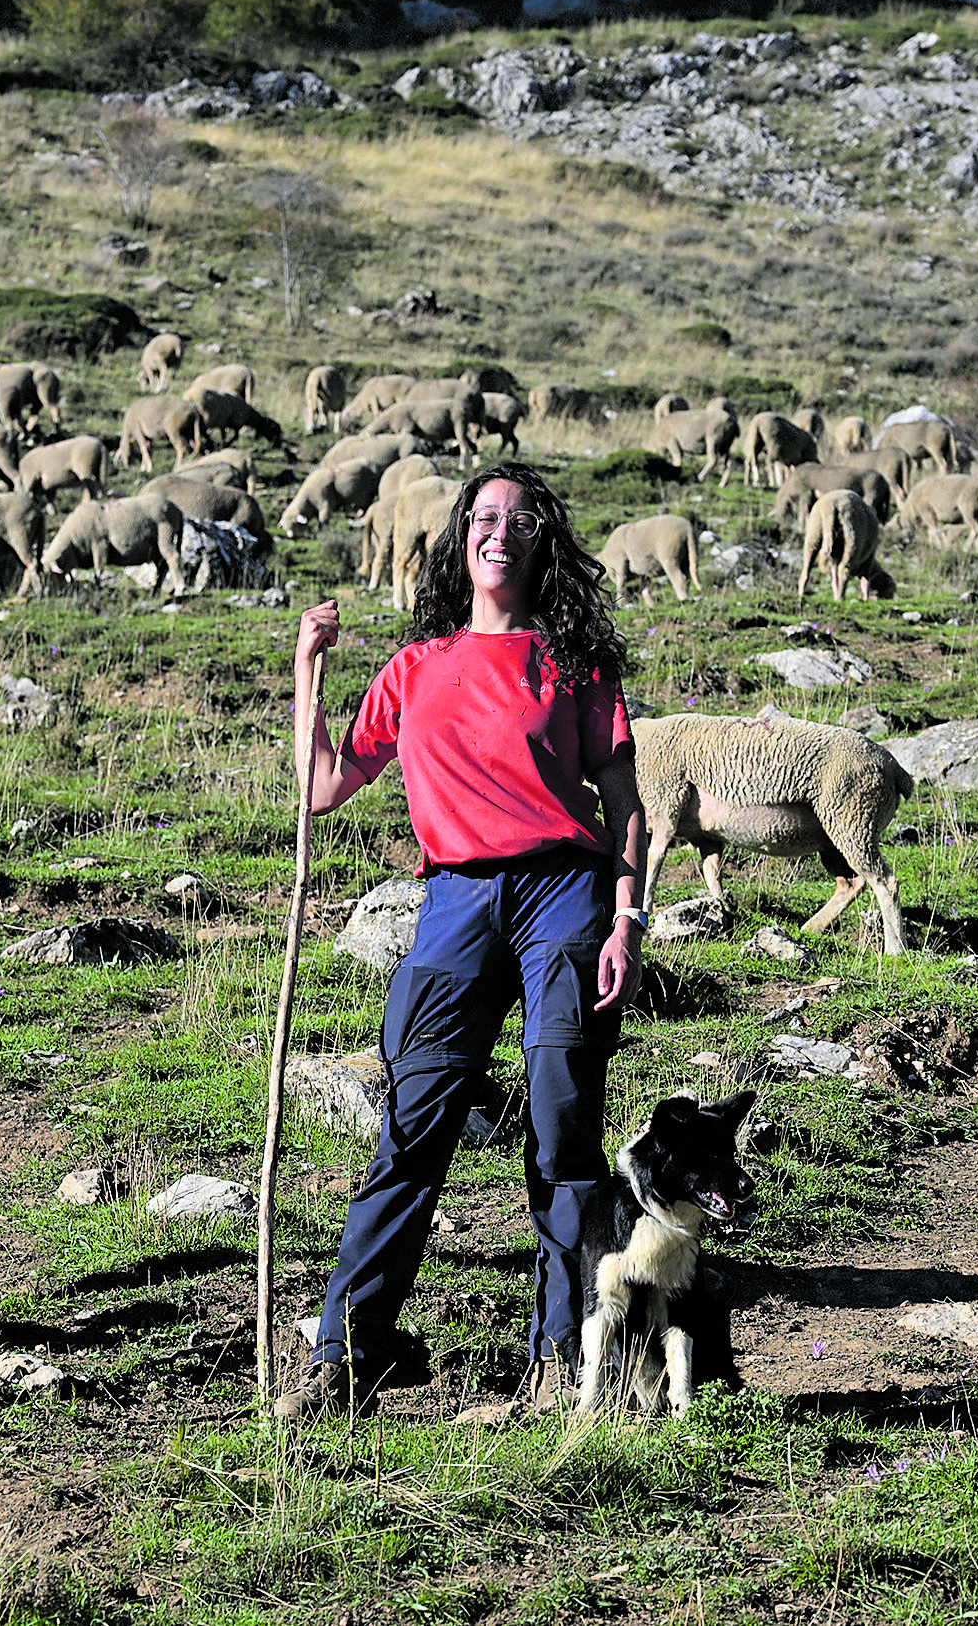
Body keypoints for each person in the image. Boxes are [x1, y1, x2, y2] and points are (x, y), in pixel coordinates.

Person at [276, 461, 646, 1421]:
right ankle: (344, 1357)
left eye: (520, 519)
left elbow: (626, 806)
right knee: (413, 1127)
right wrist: (307, 669)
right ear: (459, 538)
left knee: (564, 1128)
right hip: (454, 900)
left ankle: (566, 1362)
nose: (498, 531)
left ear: (541, 544)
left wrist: (628, 918)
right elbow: (321, 786)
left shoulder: (573, 665)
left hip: (565, 892)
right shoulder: (415, 667)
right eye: (482, 516)